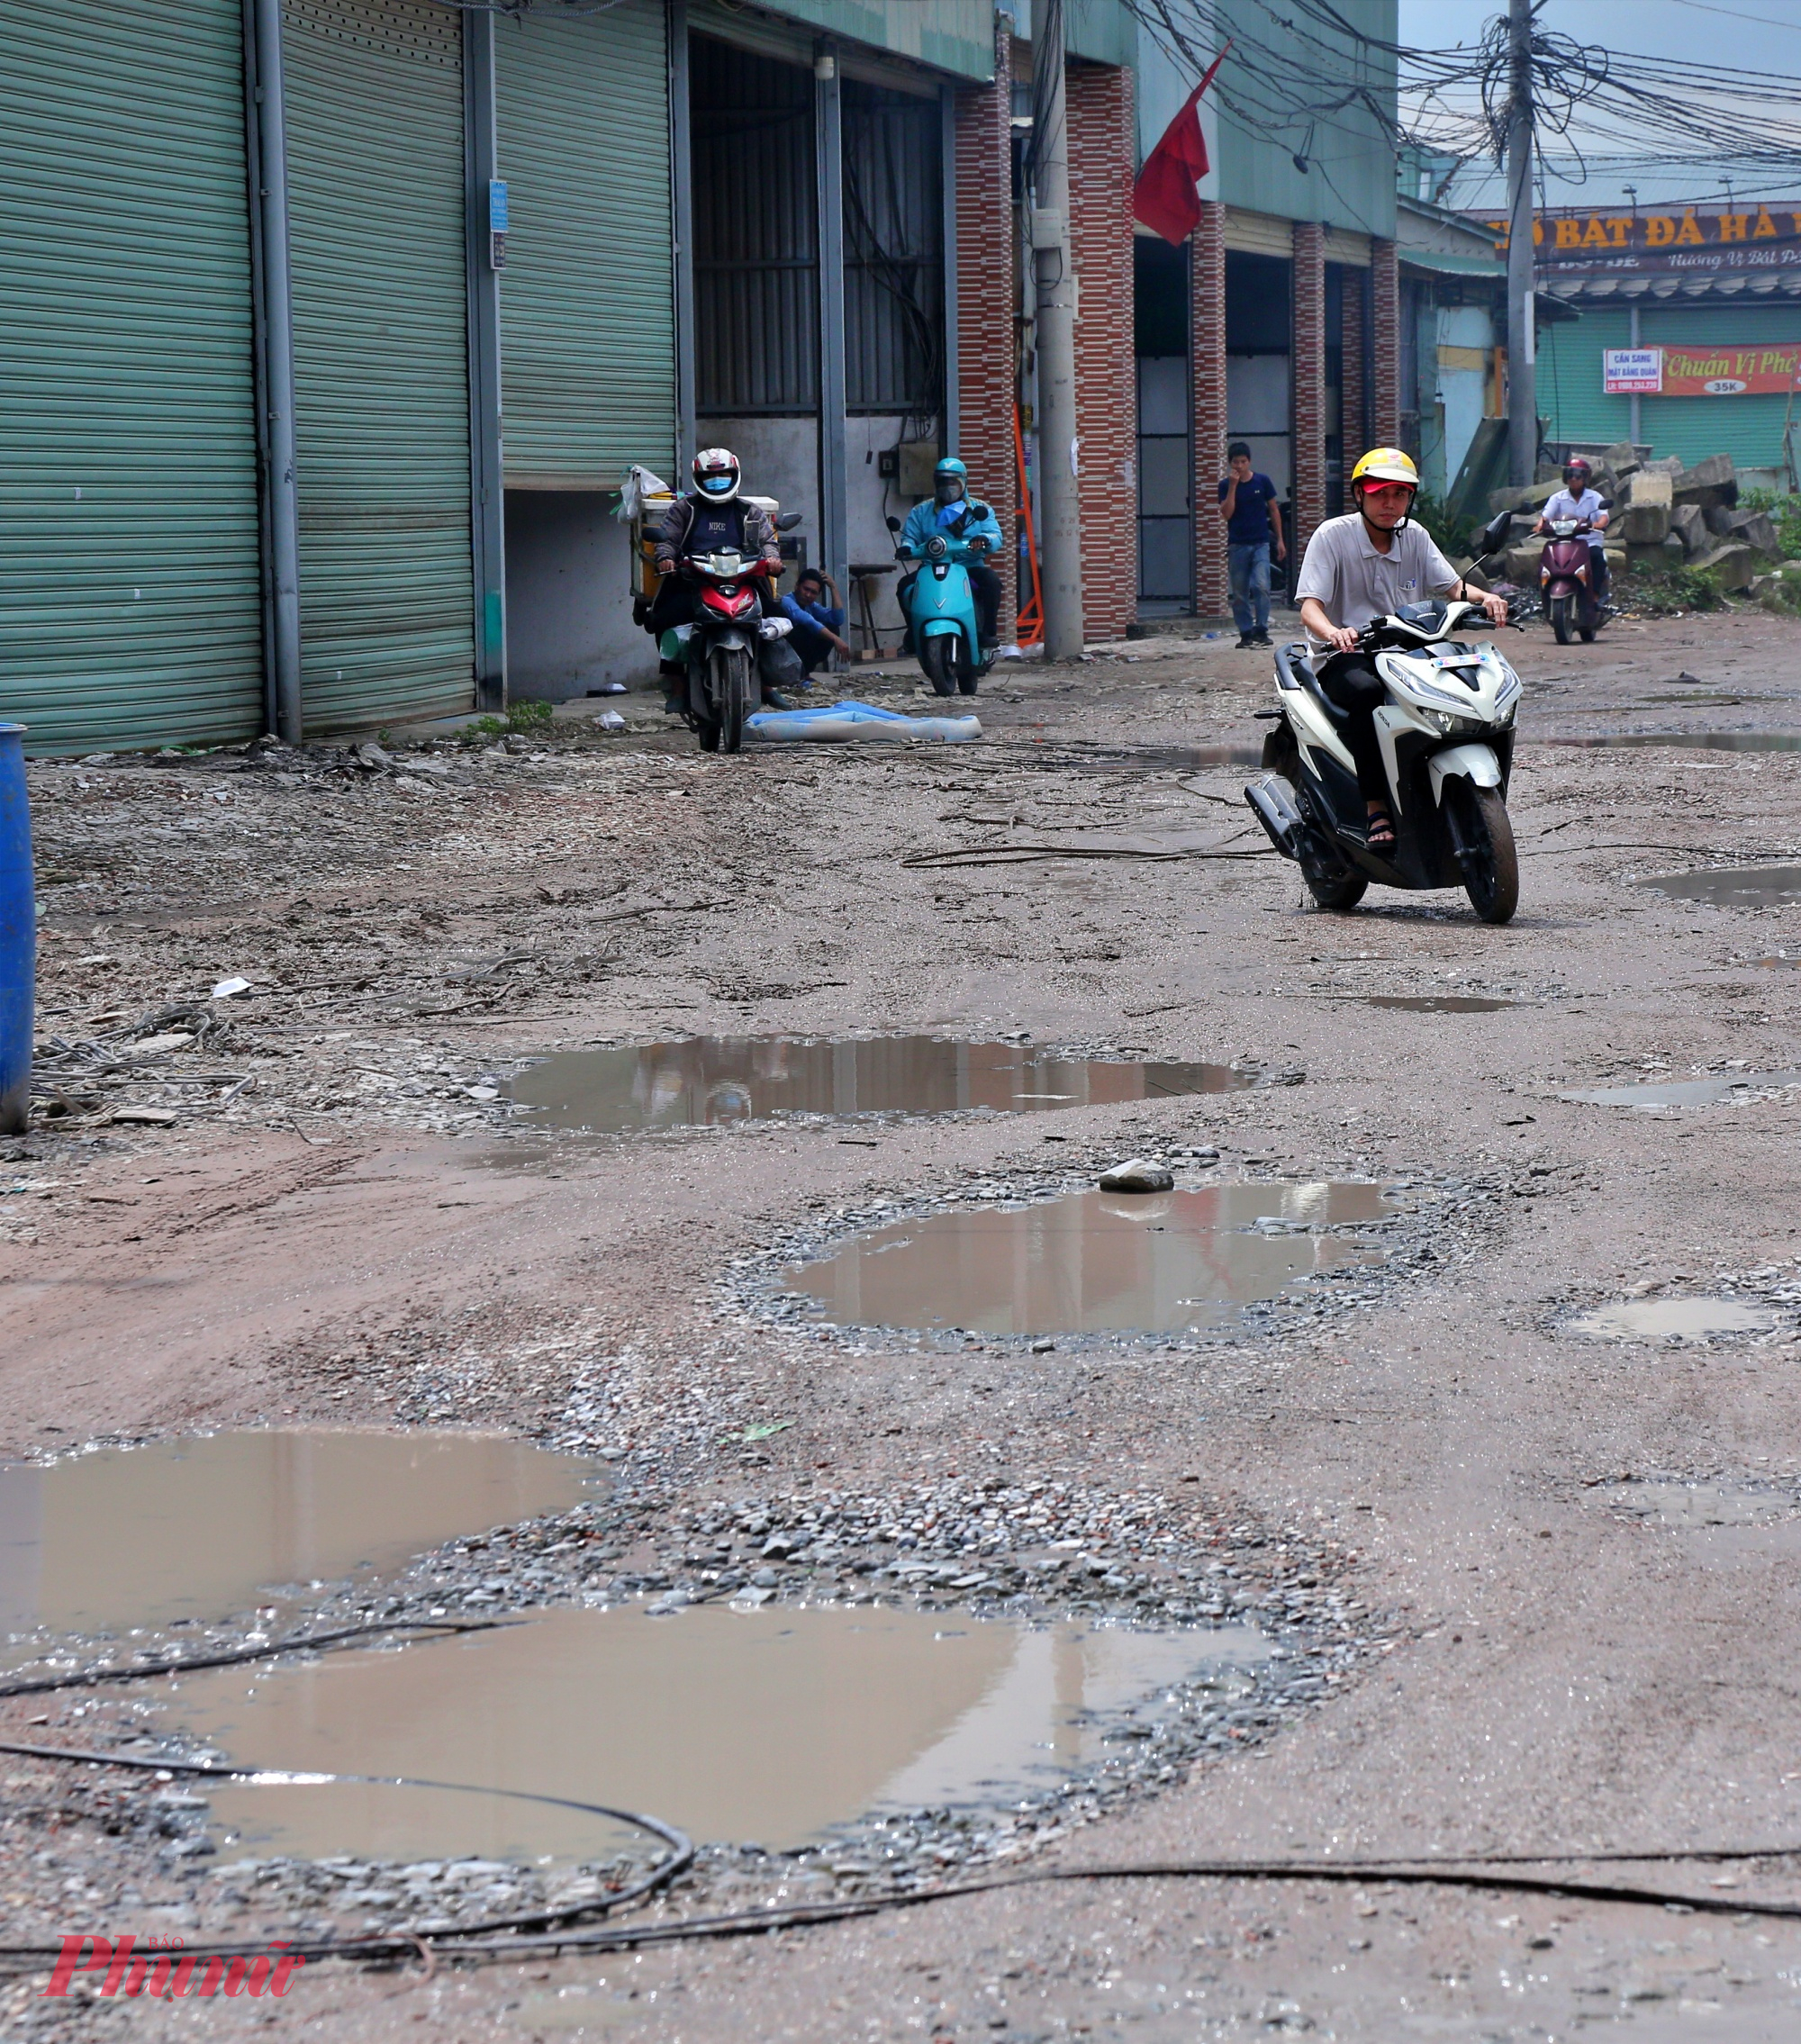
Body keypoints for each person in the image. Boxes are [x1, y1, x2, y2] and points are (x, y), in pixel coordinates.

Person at [1295, 447, 1509, 853]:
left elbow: (1453, 588)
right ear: (1360, 495)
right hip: (1346, 655)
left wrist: (1488, 599)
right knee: (1367, 696)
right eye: (1379, 494)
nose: (1389, 503)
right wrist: (1335, 632)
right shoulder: (1333, 536)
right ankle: (1376, 806)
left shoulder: (1415, 537)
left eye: (1399, 494)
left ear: (1409, 498)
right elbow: (1310, 607)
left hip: (1407, 653)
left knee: (1460, 685)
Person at [647, 447, 796, 710]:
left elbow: (767, 540)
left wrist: (773, 560)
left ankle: (766, 685)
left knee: (774, 613)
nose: (718, 481)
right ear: (698, 478)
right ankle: (678, 689)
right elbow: (667, 539)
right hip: (693, 578)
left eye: (724, 475)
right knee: (665, 617)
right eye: (711, 476)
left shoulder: (749, 511)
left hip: (743, 577)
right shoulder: (684, 509)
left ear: (735, 475)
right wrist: (665, 558)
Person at [897, 457, 1003, 653]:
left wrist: (984, 539)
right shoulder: (921, 511)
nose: (948, 487)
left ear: (963, 482)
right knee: (905, 586)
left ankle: (987, 633)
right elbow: (910, 537)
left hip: (969, 567)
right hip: (931, 568)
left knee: (992, 581)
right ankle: (913, 630)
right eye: (942, 482)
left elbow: (995, 535)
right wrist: (906, 547)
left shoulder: (980, 509)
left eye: (953, 482)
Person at [1217, 442, 1286, 648]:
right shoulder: (1225, 485)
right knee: (1239, 592)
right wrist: (1233, 486)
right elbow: (1226, 513)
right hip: (1237, 544)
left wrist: (1280, 539)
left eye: (1243, 462)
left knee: (1261, 585)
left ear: (1249, 462)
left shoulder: (1262, 481)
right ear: (1230, 463)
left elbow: (1274, 510)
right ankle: (1245, 632)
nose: (1239, 466)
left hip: (1260, 543)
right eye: (1236, 462)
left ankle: (1262, 628)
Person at [1533, 455, 1611, 608]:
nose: (1573, 479)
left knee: (1597, 557)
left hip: (1589, 542)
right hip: (1564, 541)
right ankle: (1543, 596)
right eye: (1570, 475)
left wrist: (1599, 524)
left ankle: (1595, 595)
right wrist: (1540, 525)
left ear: (1585, 477)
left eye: (1577, 475)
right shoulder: (1557, 498)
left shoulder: (1595, 497)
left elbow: (1604, 517)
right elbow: (1545, 516)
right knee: (1545, 560)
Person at [778, 568, 850, 677]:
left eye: (813, 592)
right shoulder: (787, 601)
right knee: (804, 630)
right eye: (805, 589)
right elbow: (807, 620)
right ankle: (796, 674)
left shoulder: (810, 606)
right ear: (797, 586)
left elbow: (837, 619)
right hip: (782, 654)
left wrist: (833, 587)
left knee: (833, 628)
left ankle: (805, 673)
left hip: (799, 655)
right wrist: (835, 639)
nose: (808, 595)